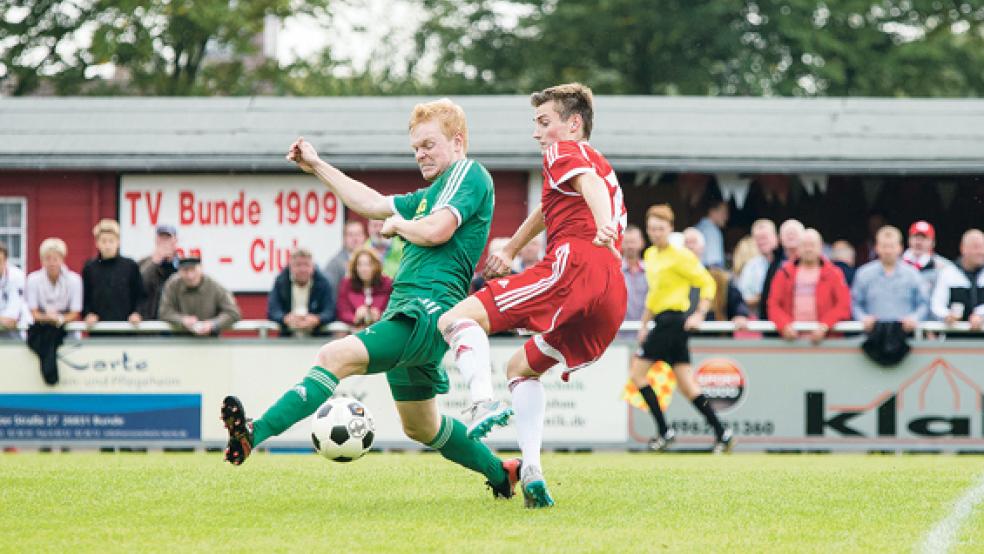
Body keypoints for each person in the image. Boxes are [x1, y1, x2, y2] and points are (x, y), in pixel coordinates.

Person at [221, 98, 522, 503]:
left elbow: (437, 231)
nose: (421, 154)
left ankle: (253, 433)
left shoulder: (469, 173)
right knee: (422, 427)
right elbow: (370, 202)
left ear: (458, 142)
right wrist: (317, 165)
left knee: (332, 356)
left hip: (426, 312)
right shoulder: (428, 194)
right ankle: (501, 472)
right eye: (415, 147)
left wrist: (399, 225)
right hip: (413, 312)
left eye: (429, 144)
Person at [439, 83, 628, 508]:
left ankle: (483, 404)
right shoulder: (594, 161)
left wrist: (604, 225)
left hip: (577, 263)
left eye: (544, 122)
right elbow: (556, 203)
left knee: (454, 319)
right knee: (520, 367)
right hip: (612, 286)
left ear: (572, 124)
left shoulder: (564, 152)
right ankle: (532, 470)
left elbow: (589, 189)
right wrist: (509, 248)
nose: (537, 133)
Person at [628, 204, 732, 454]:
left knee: (637, 375)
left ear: (671, 229)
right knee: (688, 386)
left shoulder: (681, 255)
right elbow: (654, 295)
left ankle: (665, 432)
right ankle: (722, 432)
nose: (655, 233)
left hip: (673, 322)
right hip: (662, 321)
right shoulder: (651, 255)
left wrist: (699, 313)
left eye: (660, 229)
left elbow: (706, 282)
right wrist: (644, 325)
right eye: (652, 228)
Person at [768, 229, 851, 344]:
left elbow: (843, 305)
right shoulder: (784, 273)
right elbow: (773, 304)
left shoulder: (834, 273)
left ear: (820, 246)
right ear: (798, 248)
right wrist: (784, 325)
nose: (808, 249)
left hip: (826, 342)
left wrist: (825, 325)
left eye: (812, 245)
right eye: (804, 245)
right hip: (791, 342)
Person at [24, 238, 82, 384]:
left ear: (62, 259)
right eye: (47, 258)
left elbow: (75, 311)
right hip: (42, 328)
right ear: (42, 260)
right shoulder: (33, 280)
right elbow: (34, 312)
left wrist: (60, 319)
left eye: (55, 258)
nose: (51, 262)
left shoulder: (74, 280)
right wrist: (47, 318)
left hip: (66, 329)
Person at [851, 226, 927, 333]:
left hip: (904, 337)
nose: (888, 251)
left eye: (892, 246)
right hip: (872, 336)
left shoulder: (913, 274)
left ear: (900, 248)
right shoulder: (863, 274)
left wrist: (914, 318)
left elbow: (923, 304)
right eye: (884, 246)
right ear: (876, 247)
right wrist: (863, 318)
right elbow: (855, 303)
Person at [81, 219, 145, 328]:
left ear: (118, 242)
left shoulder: (130, 266)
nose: (107, 245)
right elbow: (84, 297)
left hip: (127, 329)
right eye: (104, 241)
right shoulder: (90, 268)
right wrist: (87, 314)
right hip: (98, 330)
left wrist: (137, 313)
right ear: (97, 243)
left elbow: (141, 295)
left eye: (111, 241)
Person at [159, 258, 241, 336]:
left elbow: (233, 313)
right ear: (179, 271)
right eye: (185, 270)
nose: (190, 276)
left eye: (193, 269)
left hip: (210, 341)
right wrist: (182, 320)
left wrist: (213, 324)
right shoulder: (172, 285)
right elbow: (164, 312)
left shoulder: (214, 286)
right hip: (180, 340)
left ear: (201, 268)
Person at [268, 247, 335, 337]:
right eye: (298, 265)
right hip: (287, 338)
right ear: (291, 267)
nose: (303, 269)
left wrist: (317, 319)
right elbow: (273, 311)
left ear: (313, 267)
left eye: (306, 265)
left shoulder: (323, 282)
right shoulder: (281, 282)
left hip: (317, 337)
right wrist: (285, 319)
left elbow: (330, 311)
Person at [930, 229, 984, 328]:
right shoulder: (948, 273)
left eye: (982, 247)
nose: (980, 252)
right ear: (963, 248)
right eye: (976, 247)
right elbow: (937, 304)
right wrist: (947, 315)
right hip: (953, 336)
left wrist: (980, 315)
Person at [335, 246, 393, 330]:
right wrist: (355, 317)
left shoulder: (387, 284)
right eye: (360, 264)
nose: (364, 269)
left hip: (381, 330)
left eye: (368, 264)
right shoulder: (347, 284)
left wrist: (379, 315)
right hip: (354, 331)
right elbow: (342, 311)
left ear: (376, 265)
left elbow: (393, 310)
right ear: (355, 267)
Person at [760, 219, 804, 320]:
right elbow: (767, 297)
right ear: (780, 239)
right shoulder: (775, 264)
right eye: (787, 233)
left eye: (794, 233)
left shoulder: (813, 263)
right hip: (778, 323)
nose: (791, 236)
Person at [137, 224, 180, 320]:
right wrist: (154, 263)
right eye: (162, 238)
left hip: (175, 323)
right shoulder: (143, 263)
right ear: (156, 241)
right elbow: (139, 287)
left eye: (168, 238)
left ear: (175, 241)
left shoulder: (183, 266)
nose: (165, 243)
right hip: (150, 324)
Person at [902, 220, 951, 303]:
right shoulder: (898, 263)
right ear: (909, 239)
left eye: (924, 238)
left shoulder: (944, 267)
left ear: (933, 242)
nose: (919, 242)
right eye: (915, 237)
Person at [738, 219, 778, 313]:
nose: (761, 241)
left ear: (776, 237)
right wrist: (764, 296)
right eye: (757, 238)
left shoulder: (786, 262)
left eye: (764, 237)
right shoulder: (751, 267)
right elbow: (742, 299)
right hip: (760, 321)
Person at [323, 221, 367, 295]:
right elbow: (330, 292)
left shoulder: (373, 260)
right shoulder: (335, 264)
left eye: (358, 234)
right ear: (344, 239)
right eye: (350, 235)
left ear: (364, 237)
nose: (355, 238)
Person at [620, 225, 647, 338]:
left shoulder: (651, 270)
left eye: (633, 242)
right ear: (620, 243)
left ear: (642, 243)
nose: (630, 246)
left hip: (646, 334)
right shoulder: (613, 271)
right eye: (627, 242)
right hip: (618, 336)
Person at [0, 242, 26, 338]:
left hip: (15, 333)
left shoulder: (17, 276)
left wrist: (6, 319)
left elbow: (11, 318)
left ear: (6, 260)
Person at [694, 197, 728, 268]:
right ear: (712, 211)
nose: (726, 217)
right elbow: (714, 265)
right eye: (724, 212)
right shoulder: (712, 231)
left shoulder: (697, 227)